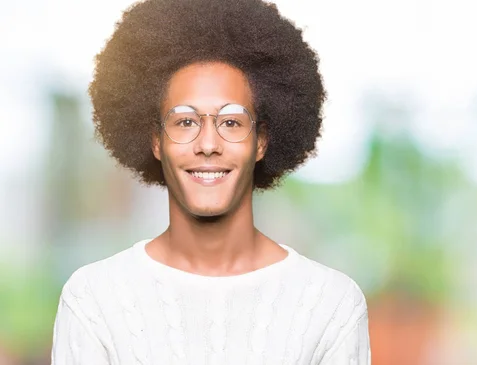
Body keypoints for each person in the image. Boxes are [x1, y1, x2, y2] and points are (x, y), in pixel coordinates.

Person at [51, 0, 370, 363]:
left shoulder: (330, 306)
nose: (207, 144)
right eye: (185, 122)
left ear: (261, 141)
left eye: (231, 122)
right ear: (156, 140)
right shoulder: (94, 300)